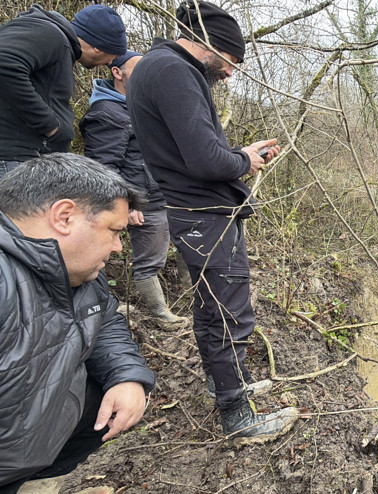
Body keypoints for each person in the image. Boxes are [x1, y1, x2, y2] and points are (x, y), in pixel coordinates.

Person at [127, 0, 296, 439]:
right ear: (209, 44)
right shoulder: (173, 71)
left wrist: (241, 154)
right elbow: (205, 160)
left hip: (194, 213)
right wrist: (243, 159)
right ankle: (236, 415)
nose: (230, 72)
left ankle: (224, 384)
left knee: (211, 307)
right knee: (229, 313)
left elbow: (194, 150)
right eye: (231, 61)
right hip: (204, 216)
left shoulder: (158, 67)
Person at [0, 154, 156, 493]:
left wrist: (126, 376)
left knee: (105, 398)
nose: (118, 248)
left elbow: (103, 319)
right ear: (64, 216)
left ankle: (37, 483)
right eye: (114, 232)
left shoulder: (76, 268)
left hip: (26, 442)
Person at [79, 50, 189, 330]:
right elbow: (103, 168)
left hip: (164, 197)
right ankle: (160, 315)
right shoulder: (106, 113)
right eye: (137, 69)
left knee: (189, 248)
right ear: (117, 72)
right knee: (148, 262)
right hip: (142, 202)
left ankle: (192, 300)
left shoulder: (140, 107)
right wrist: (125, 205)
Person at [0, 4, 127, 178]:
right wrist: (50, 126)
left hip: (23, 159)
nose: (111, 63)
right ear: (99, 46)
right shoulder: (50, 33)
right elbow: (5, 64)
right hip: (13, 159)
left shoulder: (58, 42)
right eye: (114, 55)